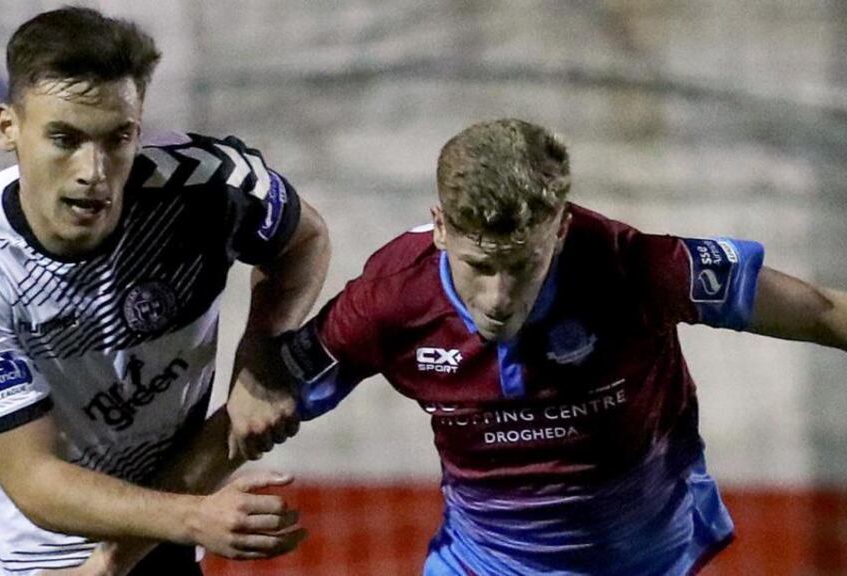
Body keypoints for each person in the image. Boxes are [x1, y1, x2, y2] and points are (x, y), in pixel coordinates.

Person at [240, 118, 847, 575]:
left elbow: (822, 312)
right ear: (441, 226)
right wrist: (185, 514)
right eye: (480, 265)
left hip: (646, 558)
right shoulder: (388, 301)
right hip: (482, 562)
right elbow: (260, 405)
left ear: (560, 228)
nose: (499, 297)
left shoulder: (635, 270)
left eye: (522, 266)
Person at [0, 7, 329, 576]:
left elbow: (303, 243)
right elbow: (34, 480)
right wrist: (196, 518)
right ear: (8, 127)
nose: (94, 170)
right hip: (1, 559)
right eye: (64, 138)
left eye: (117, 138)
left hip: (153, 543)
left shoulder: (210, 186)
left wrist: (261, 354)